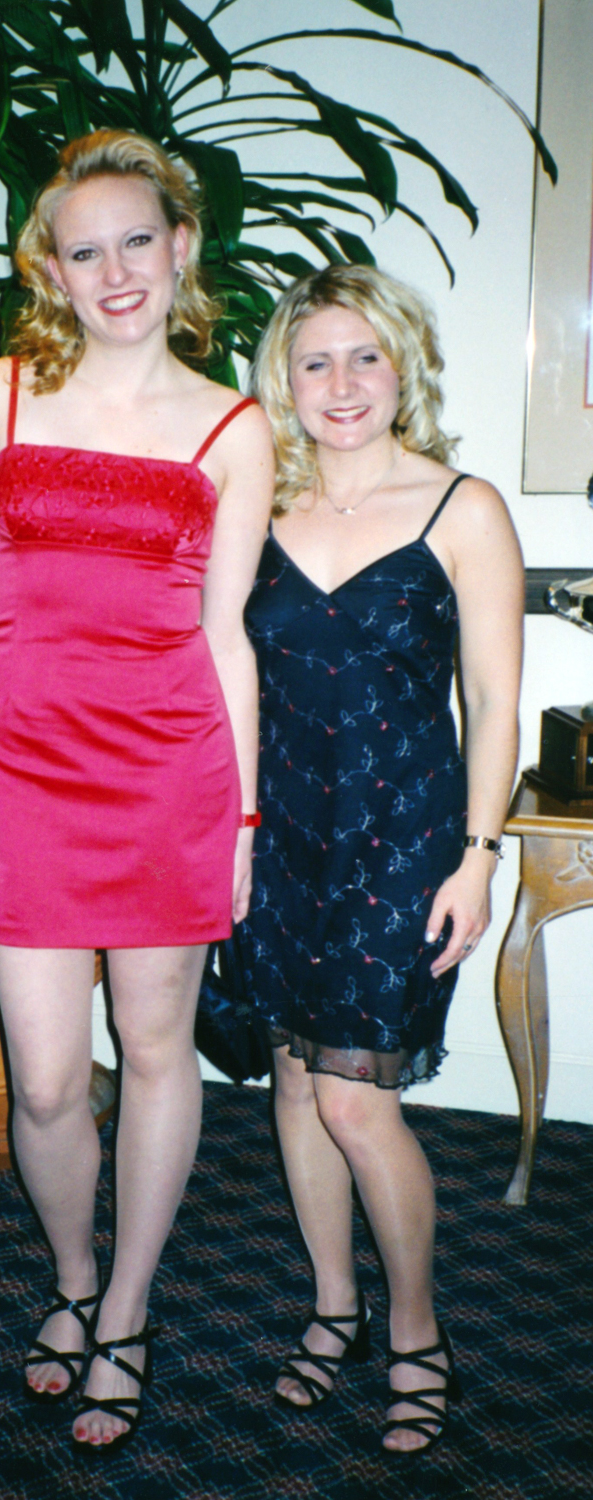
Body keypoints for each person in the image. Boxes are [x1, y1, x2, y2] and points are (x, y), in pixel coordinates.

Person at [0, 129, 273, 1453]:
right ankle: (71, 1278)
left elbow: (228, 637)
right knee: (41, 1083)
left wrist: (240, 819)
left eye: (140, 239)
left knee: (152, 1049)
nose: (118, 270)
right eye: (86, 251)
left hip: (167, 770)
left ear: (182, 248)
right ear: (50, 271)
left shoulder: (234, 425)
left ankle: (124, 1311)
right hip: (18, 767)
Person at [241, 263, 523, 1455]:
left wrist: (479, 858)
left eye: (365, 355)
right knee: (296, 1085)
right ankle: (333, 1308)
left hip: (402, 844)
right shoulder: (253, 506)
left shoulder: (462, 507)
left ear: (403, 365)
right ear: (284, 380)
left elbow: (494, 704)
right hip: (276, 841)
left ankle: (416, 1330)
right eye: (315, 361)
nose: (342, 382)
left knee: (357, 1100)